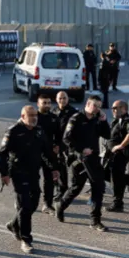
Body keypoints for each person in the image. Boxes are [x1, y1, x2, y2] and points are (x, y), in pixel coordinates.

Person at [0, 105, 59, 254]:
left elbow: (47, 152)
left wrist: (54, 168)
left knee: (34, 202)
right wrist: (3, 174)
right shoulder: (13, 131)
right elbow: (2, 154)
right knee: (24, 205)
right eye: (30, 115)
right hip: (18, 172)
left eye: (35, 115)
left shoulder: (39, 131)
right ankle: (26, 239)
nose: (34, 118)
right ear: (23, 116)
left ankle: (14, 224)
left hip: (33, 172)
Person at [55, 95, 111, 232]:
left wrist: (104, 121)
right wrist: (80, 149)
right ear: (88, 104)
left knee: (98, 187)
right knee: (76, 187)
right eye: (95, 106)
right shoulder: (76, 118)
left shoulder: (97, 119)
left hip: (93, 159)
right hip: (78, 159)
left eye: (99, 106)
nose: (97, 109)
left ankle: (95, 220)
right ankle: (61, 206)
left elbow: (107, 135)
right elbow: (66, 138)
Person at [105, 100, 129, 212]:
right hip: (112, 154)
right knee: (105, 173)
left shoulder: (128, 120)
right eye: (113, 108)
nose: (113, 110)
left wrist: (120, 146)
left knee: (116, 178)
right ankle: (127, 179)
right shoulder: (117, 120)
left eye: (115, 108)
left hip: (121, 154)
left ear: (123, 108)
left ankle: (117, 203)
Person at [36, 95, 62, 214]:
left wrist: (57, 145)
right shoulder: (33, 117)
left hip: (50, 151)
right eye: (44, 103)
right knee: (32, 178)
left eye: (48, 103)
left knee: (50, 178)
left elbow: (59, 134)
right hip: (34, 151)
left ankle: (47, 204)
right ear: (38, 104)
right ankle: (26, 201)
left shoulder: (54, 118)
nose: (46, 105)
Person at [52, 91, 77, 203]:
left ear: (68, 99)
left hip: (68, 144)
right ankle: (61, 190)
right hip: (56, 144)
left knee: (74, 167)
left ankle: (71, 190)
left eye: (64, 98)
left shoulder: (73, 112)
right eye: (60, 98)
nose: (62, 100)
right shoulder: (54, 111)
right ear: (57, 99)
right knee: (58, 167)